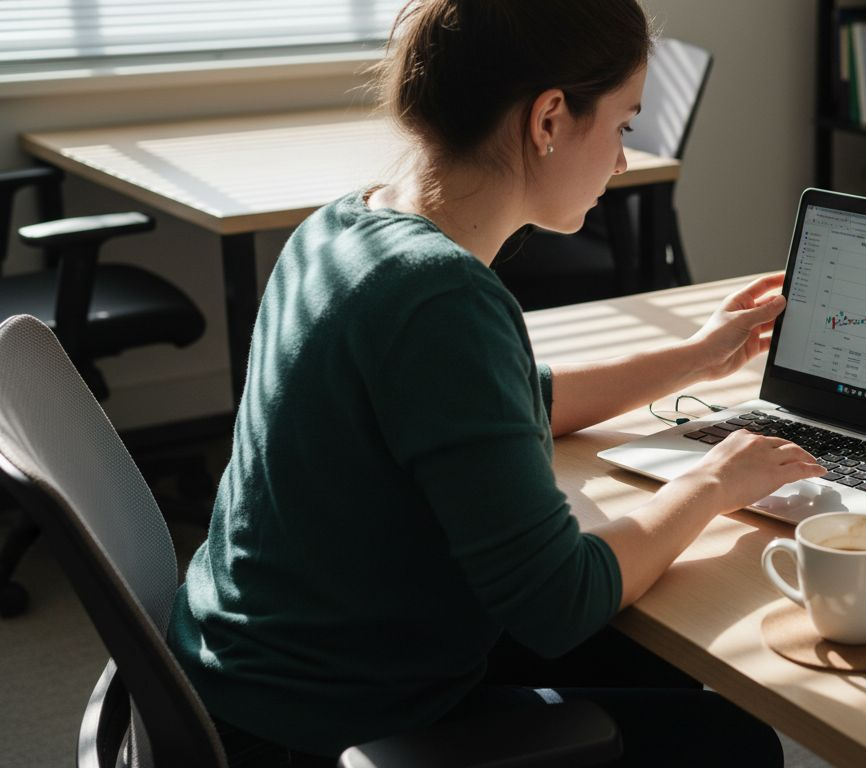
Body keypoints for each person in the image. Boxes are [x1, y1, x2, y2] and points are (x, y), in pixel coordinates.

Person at [166, 0, 824, 765]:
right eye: (622, 125)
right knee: (736, 746)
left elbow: (501, 402)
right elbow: (560, 601)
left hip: (246, 668)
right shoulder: (442, 298)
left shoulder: (345, 225)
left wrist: (696, 357)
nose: (621, 161)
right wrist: (713, 482)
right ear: (549, 120)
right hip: (314, 724)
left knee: (656, 661)